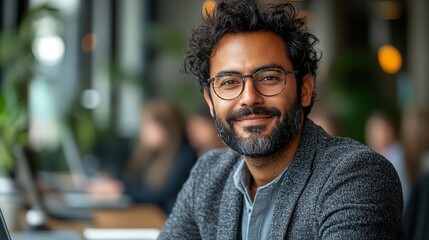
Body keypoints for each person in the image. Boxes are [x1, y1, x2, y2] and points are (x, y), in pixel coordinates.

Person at [158, 0, 405, 239]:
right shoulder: (208, 175)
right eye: (229, 82)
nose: (249, 98)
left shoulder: (355, 176)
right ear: (210, 100)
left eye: (269, 78)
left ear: (305, 89)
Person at [86, 99, 197, 214]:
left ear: (168, 128)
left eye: (150, 127)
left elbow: (160, 196)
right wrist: (114, 180)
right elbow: (139, 184)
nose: (144, 132)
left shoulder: (185, 156)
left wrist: (121, 190)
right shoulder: (155, 153)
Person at [364, 110, 410, 204]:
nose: (381, 135)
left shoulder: (397, 154)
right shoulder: (370, 157)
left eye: (384, 129)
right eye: (376, 130)